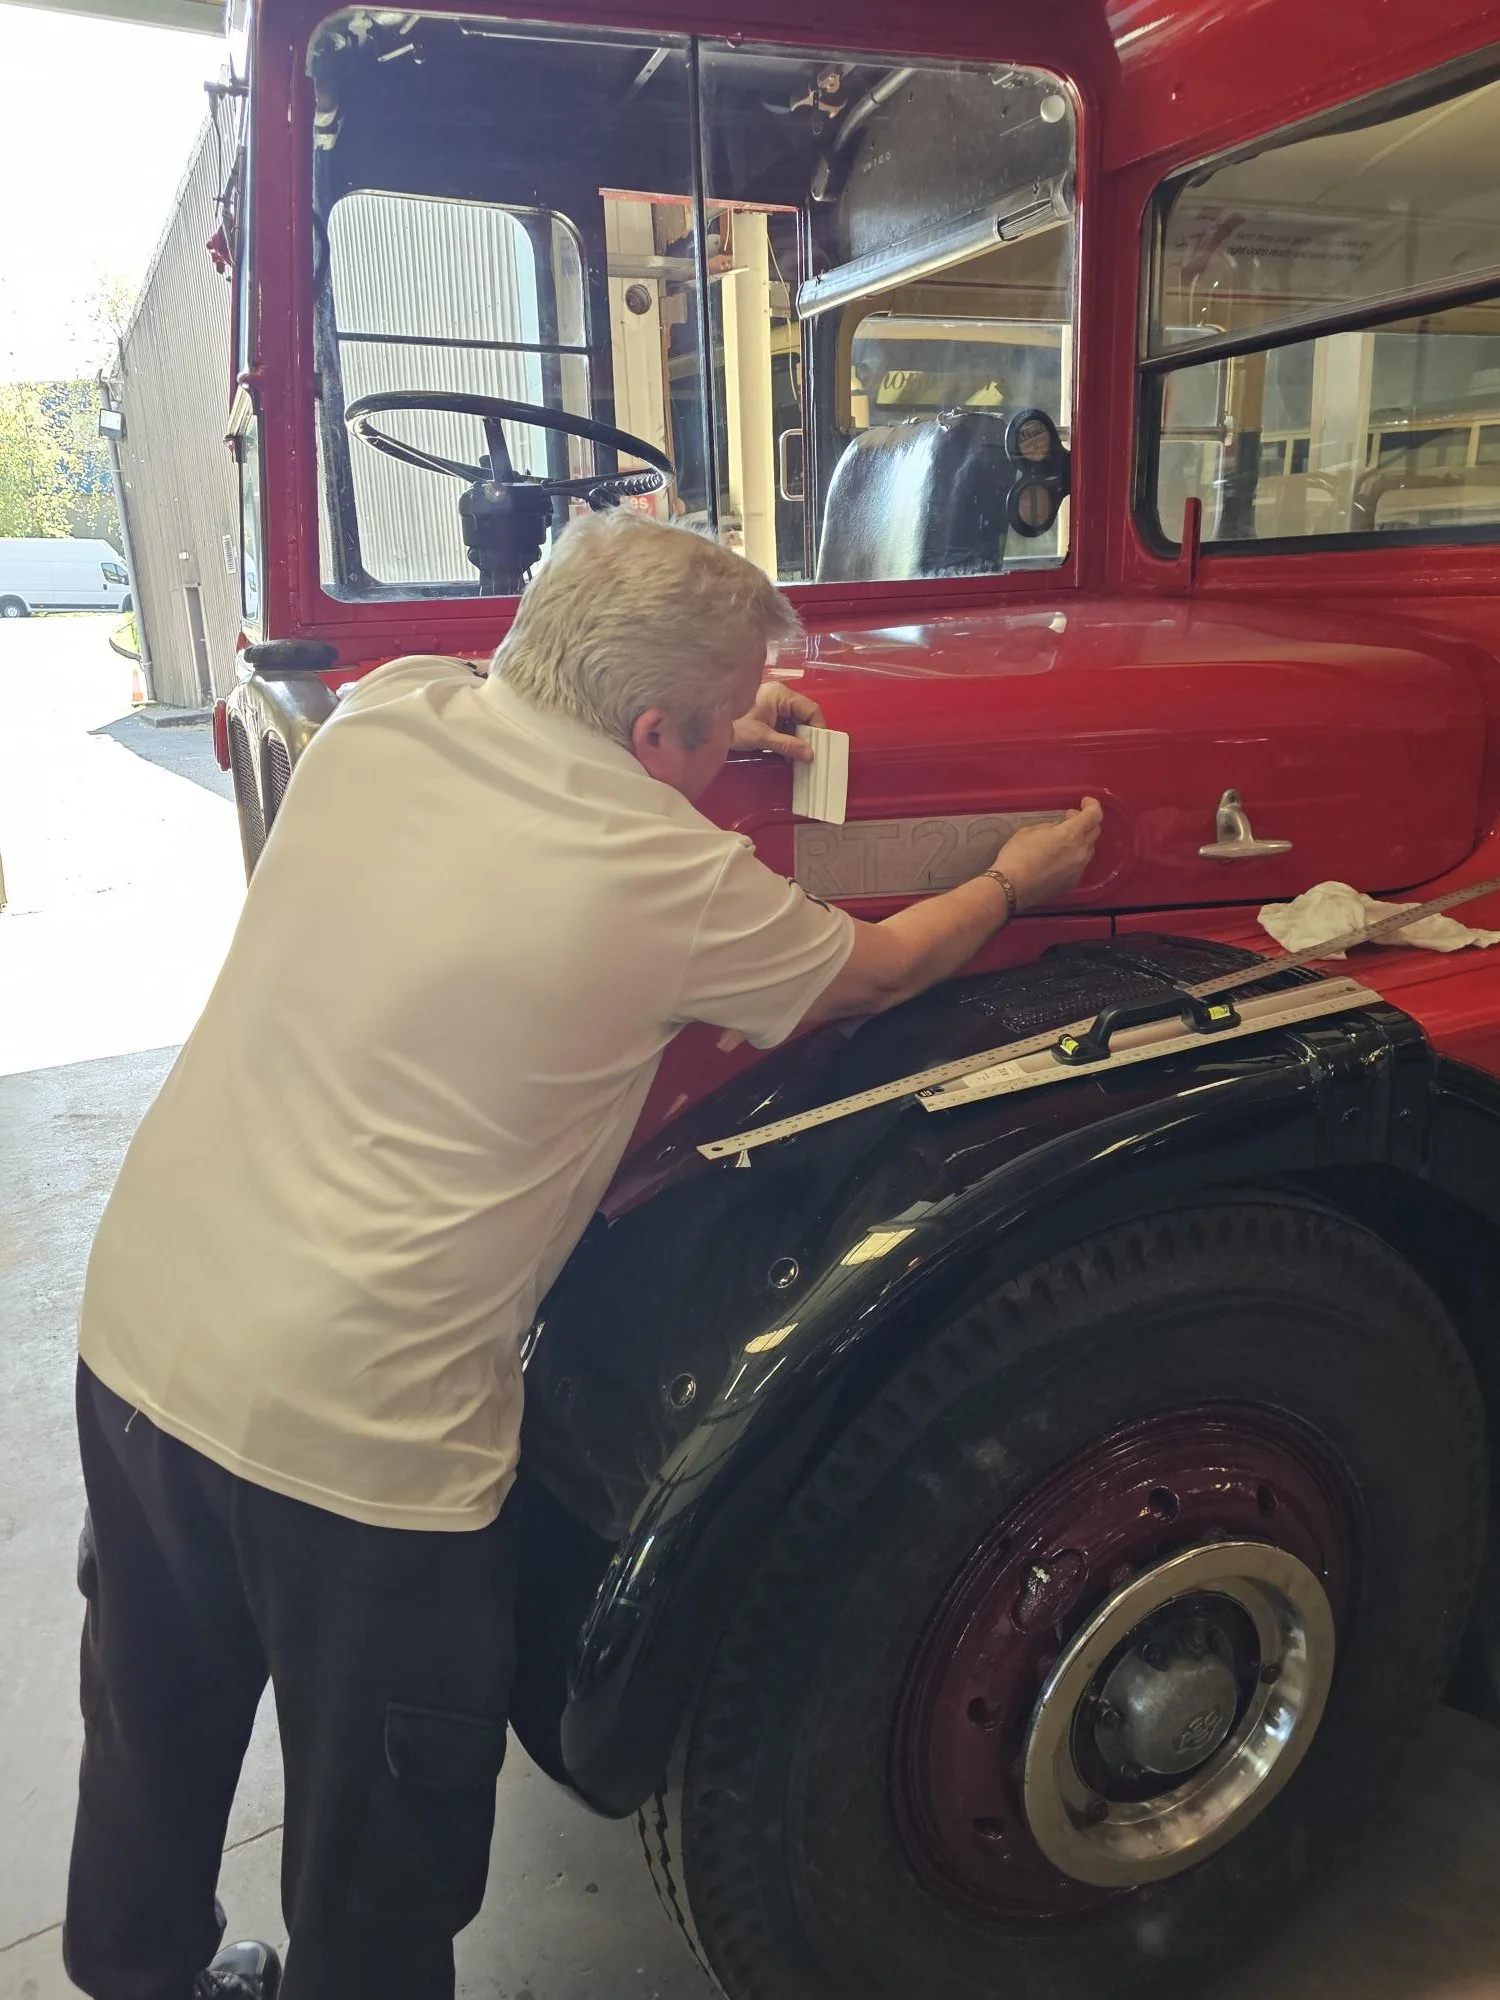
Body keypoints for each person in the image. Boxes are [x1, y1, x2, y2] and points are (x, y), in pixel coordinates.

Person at [66, 511, 1102, 2000]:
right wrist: (1016, 880)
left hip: (144, 1325)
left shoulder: (387, 715)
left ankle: (136, 1970)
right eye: (718, 716)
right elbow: (880, 969)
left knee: (151, 1714)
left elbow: (554, 703)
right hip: (359, 1433)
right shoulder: (659, 873)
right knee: (382, 1837)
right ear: (655, 728)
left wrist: (717, 709)